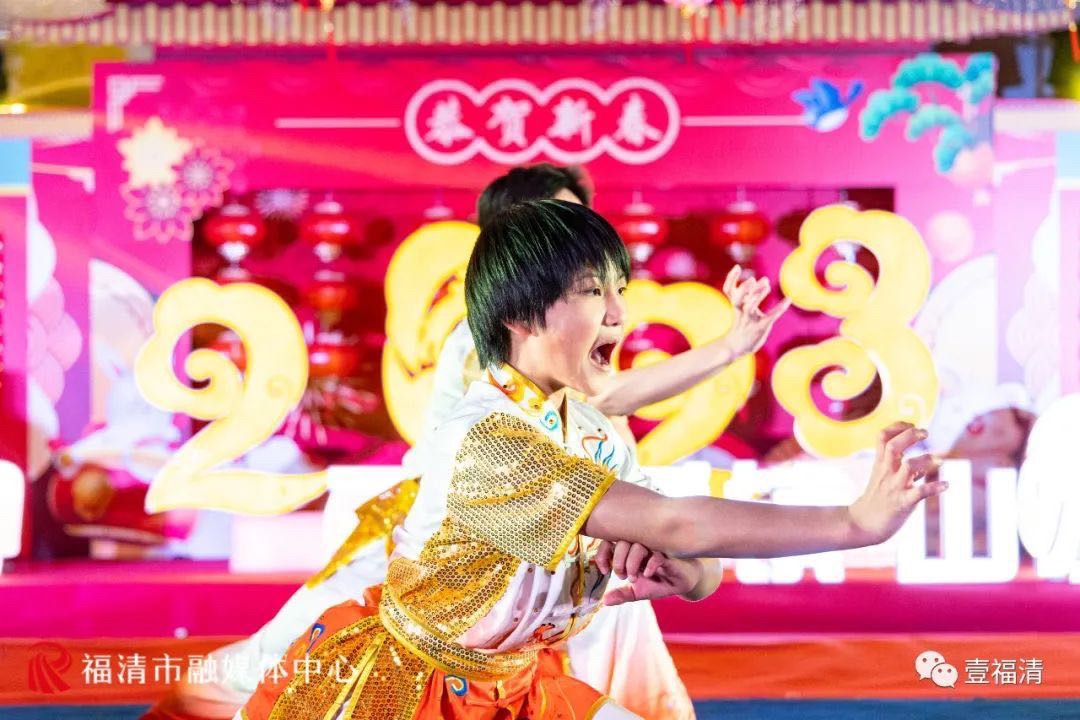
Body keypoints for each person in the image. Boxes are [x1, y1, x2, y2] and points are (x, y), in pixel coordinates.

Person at [239, 200, 945, 720]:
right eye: (591, 291)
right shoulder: (489, 438)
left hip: (518, 686)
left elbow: (687, 552)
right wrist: (854, 524)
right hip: (413, 694)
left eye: (618, 290)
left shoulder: (588, 426)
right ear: (519, 314)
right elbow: (675, 522)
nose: (618, 315)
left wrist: (684, 575)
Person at [147, 165, 782, 720]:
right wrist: (728, 349)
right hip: (446, 544)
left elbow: (638, 465)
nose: (568, 242)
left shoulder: (578, 340)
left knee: (602, 638)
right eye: (548, 226)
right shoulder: (498, 338)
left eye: (578, 226)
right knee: (276, 664)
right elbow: (613, 404)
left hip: (549, 539)